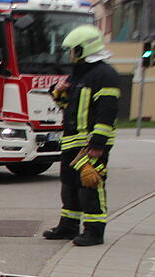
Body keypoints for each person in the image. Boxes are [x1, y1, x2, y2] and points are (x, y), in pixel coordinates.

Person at [42, 25, 119, 246]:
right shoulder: (80, 75)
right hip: (72, 142)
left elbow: (107, 111)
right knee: (69, 186)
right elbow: (70, 108)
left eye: (73, 50)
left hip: (90, 144)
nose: (70, 55)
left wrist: (98, 143)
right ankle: (68, 226)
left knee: (90, 186)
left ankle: (94, 231)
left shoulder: (105, 75)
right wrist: (57, 92)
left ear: (84, 49)